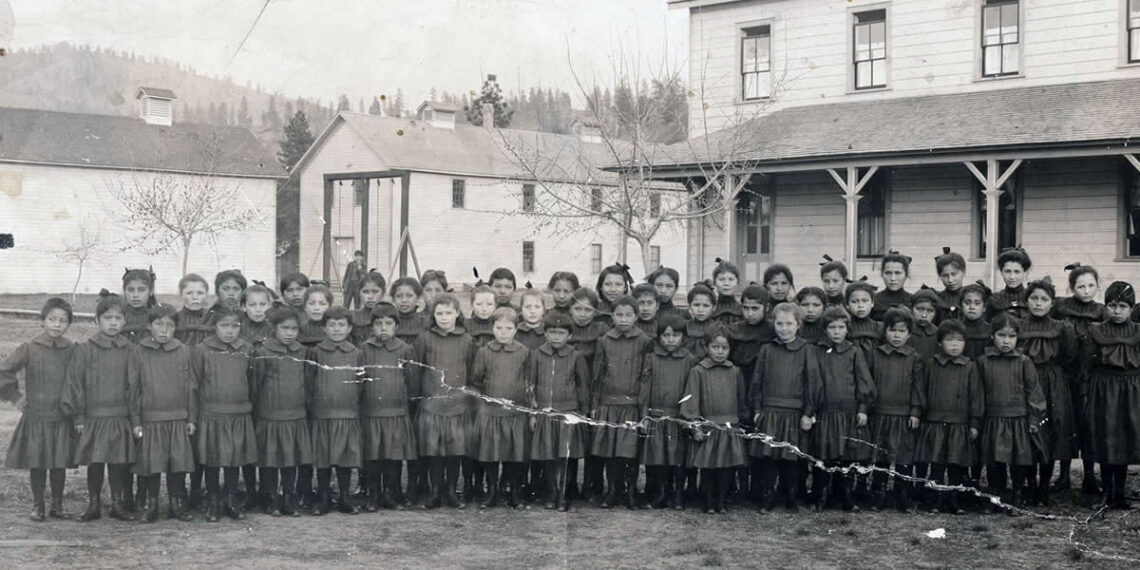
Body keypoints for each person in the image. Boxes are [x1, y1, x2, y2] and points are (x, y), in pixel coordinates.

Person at [1, 297, 76, 522]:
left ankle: (58, 505)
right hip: (36, 417)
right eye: (52, 319)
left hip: (62, 416)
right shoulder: (29, 348)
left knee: (58, 462)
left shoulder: (71, 349)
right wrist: (15, 397)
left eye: (62, 321)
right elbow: (3, 371)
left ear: (68, 324)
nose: (56, 324)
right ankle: (38, 505)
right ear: (42, 321)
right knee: (38, 462)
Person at [63, 292, 135, 521]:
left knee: (117, 462)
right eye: (107, 318)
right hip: (93, 416)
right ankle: (93, 504)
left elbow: (134, 386)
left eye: (118, 318)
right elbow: (75, 384)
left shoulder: (130, 350)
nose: (113, 323)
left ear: (124, 321)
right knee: (95, 462)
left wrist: (133, 418)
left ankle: (117, 503)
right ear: (97, 320)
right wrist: (79, 417)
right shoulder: (85, 349)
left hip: (119, 416)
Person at [128, 303, 198, 523]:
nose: (164, 330)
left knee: (177, 465)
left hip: (178, 418)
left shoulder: (184, 351)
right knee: (152, 465)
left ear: (176, 328)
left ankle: (177, 505)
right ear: (150, 326)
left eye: (169, 325)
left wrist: (191, 418)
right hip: (150, 420)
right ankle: (152, 504)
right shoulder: (138, 351)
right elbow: (134, 388)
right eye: (159, 324)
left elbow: (191, 387)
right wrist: (136, 421)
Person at [749, 302, 820, 513]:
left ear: (798, 325)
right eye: (779, 323)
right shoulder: (767, 349)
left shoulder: (807, 350)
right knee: (769, 459)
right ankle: (767, 500)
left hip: (794, 413)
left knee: (791, 460)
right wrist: (757, 409)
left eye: (789, 323)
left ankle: (791, 499)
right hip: (770, 411)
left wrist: (808, 413)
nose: (784, 328)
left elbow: (813, 383)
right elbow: (757, 381)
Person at [192, 305, 258, 522]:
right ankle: (213, 500)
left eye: (234, 326)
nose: (229, 331)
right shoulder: (202, 350)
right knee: (213, 460)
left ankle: (230, 500)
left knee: (233, 460)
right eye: (224, 326)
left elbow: (253, 383)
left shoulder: (247, 349)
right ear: (214, 326)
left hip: (238, 414)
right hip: (212, 415)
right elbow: (196, 383)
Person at [910, 319, 982, 514]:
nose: (954, 345)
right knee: (937, 465)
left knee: (956, 465)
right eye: (950, 340)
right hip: (935, 423)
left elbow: (976, 396)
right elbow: (921, 391)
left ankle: (954, 502)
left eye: (959, 340)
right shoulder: (931, 365)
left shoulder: (969, 366)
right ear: (940, 343)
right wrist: (918, 413)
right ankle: (934, 501)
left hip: (959, 425)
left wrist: (974, 422)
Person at [976, 313, 1047, 511]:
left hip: (1018, 420)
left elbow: (1034, 392)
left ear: (1017, 338)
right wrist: (978, 419)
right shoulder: (983, 361)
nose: (1006, 341)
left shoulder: (1024, 362)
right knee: (994, 460)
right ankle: (996, 495)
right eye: (1001, 335)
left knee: (1018, 460)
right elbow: (977, 392)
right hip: (993, 419)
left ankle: (1017, 494)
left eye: (1011, 337)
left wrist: (1034, 418)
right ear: (992, 336)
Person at [414, 293, 477, 510]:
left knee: (454, 451)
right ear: (433, 315)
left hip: (457, 405)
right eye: (439, 313)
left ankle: (451, 490)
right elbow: (417, 369)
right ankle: (435, 491)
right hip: (432, 404)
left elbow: (470, 372)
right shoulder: (424, 338)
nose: (444, 317)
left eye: (448, 312)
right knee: (434, 451)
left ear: (457, 313)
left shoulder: (467, 340)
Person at [1080, 281, 1140, 509]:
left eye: (1123, 306)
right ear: (1106, 306)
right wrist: (1086, 395)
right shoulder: (1096, 331)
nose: (1117, 311)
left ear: (1131, 308)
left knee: (1124, 438)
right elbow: (1086, 366)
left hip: (1132, 390)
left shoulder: (1137, 332)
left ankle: (1120, 493)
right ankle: (1106, 493)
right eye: (1112, 306)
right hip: (1104, 389)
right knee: (1106, 438)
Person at [590, 295, 653, 510]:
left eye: (628, 315)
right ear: (612, 316)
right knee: (611, 452)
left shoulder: (644, 341)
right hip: (608, 405)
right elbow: (597, 376)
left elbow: (646, 378)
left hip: (632, 406)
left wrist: (642, 408)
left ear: (636, 316)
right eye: (619, 314)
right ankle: (612, 491)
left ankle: (631, 492)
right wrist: (596, 405)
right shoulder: (604, 341)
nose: (623, 319)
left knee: (630, 453)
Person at [1019, 277, 1078, 506]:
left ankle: (1044, 487)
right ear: (1027, 301)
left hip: (1053, 384)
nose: (1038, 303)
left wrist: (1055, 379)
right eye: (1034, 298)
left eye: (1044, 299)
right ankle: (1030, 485)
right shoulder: (1019, 325)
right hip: (1025, 381)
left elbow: (1069, 357)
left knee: (1050, 433)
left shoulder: (1062, 328)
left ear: (1052, 303)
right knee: (1027, 433)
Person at [251, 306, 312, 517]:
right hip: (270, 417)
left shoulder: (303, 352)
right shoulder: (263, 352)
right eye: (284, 328)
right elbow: (256, 386)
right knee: (270, 461)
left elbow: (308, 383)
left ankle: (288, 498)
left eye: (293, 329)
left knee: (290, 460)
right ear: (274, 329)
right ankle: (271, 499)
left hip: (295, 416)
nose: (289, 333)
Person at [812, 307, 874, 512]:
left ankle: (845, 497)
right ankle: (819, 497)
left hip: (848, 414)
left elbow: (863, 382)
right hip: (825, 414)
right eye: (832, 327)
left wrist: (862, 409)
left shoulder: (854, 352)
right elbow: (813, 383)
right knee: (825, 455)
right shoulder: (817, 351)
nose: (836, 332)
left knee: (847, 456)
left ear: (847, 329)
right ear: (825, 330)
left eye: (841, 327)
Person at [681, 325, 747, 515]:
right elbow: (691, 400)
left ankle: (722, 501)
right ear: (706, 347)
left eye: (724, 348)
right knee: (708, 468)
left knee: (726, 467)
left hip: (729, 426)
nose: (719, 352)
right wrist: (695, 426)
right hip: (708, 425)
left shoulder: (734, 371)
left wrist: (740, 422)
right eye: (715, 347)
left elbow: (740, 399)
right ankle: (708, 502)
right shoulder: (698, 371)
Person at [357, 303, 418, 512]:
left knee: (393, 457)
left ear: (396, 326)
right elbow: (359, 382)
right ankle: (372, 494)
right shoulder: (364, 349)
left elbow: (412, 382)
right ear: (371, 326)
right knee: (373, 457)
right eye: (379, 324)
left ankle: (390, 494)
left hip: (396, 413)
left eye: (389, 324)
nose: (383, 328)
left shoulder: (405, 349)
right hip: (372, 413)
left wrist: (406, 406)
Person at [470, 307, 532, 509]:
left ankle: (514, 492)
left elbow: (530, 383)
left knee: (514, 456)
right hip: (491, 414)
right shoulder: (484, 351)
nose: (503, 332)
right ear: (492, 328)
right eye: (499, 327)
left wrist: (528, 410)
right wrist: (481, 408)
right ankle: (492, 491)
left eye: (508, 328)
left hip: (515, 414)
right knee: (491, 455)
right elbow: (476, 382)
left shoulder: (524, 352)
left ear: (516, 330)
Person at [1052, 263, 1105, 494]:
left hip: (1091, 377)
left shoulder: (1101, 311)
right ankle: (1063, 475)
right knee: (1066, 423)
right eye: (1081, 286)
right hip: (1066, 374)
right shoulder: (1061, 308)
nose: (1086, 290)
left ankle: (1089, 477)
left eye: (1091, 285)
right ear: (1072, 287)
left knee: (1089, 424)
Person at [528, 311, 589, 512]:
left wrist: (582, 413)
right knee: (548, 456)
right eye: (552, 332)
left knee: (565, 458)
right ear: (545, 333)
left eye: (561, 333)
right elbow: (531, 385)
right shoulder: (537, 354)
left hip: (568, 414)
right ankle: (551, 493)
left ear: (569, 335)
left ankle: (563, 496)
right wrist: (533, 413)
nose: (556, 337)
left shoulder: (576, 356)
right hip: (545, 415)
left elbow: (582, 387)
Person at [304, 306, 362, 515]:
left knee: (345, 459)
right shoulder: (316, 352)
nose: (336, 329)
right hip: (322, 415)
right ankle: (323, 497)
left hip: (346, 415)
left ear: (349, 328)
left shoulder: (356, 353)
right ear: (324, 328)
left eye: (341, 325)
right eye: (332, 325)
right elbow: (309, 383)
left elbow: (361, 384)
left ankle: (345, 497)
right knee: (323, 459)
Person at [865, 307, 923, 512]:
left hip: (903, 415)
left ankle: (902, 497)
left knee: (903, 458)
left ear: (909, 333)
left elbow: (918, 386)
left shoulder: (914, 357)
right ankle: (877, 496)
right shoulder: (876, 355)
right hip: (880, 413)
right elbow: (868, 385)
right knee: (880, 457)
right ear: (885, 332)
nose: (896, 335)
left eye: (901, 331)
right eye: (892, 330)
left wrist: (915, 411)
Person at [639, 313, 699, 510]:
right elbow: (645, 388)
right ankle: (658, 495)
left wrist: (688, 416)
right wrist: (644, 415)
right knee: (656, 458)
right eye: (665, 336)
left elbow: (691, 391)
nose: (670, 340)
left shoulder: (690, 359)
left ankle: (677, 496)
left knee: (677, 459)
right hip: (656, 415)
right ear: (658, 337)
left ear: (683, 337)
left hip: (678, 417)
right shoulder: (651, 358)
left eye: (675, 335)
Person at [990, 248, 1033, 320]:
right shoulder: (994, 299)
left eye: (1017, 272)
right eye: (1007, 271)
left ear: (1025, 273)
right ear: (1001, 272)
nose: (1012, 277)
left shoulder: (1032, 298)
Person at [871, 251, 914, 321]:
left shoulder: (913, 301)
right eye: (888, 273)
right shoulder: (873, 300)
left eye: (898, 273)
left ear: (906, 275)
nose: (892, 278)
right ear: (882, 274)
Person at [174, 273, 213, 347]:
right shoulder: (175, 318)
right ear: (181, 294)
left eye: (200, 293)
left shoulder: (212, 318)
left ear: (206, 294)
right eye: (189, 293)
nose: (195, 297)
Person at [845, 281, 882, 357]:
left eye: (865, 301)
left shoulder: (879, 328)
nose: (860, 305)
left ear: (872, 303)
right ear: (847, 305)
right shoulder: (844, 328)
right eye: (854, 302)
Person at [350, 270, 387, 346]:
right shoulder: (352, 317)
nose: (370, 296)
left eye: (375, 291)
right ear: (359, 293)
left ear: (383, 293)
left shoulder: (390, 317)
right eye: (365, 292)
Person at [121, 267, 157, 344]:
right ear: (124, 291)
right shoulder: (119, 316)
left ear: (151, 291)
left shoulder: (157, 316)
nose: (135, 295)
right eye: (130, 290)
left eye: (141, 290)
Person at [960, 282, 992, 361]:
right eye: (967, 303)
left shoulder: (990, 331)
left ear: (984, 307)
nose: (972, 307)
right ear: (961, 305)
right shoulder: (956, 329)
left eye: (977, 303)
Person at [684, 283, 717, 361]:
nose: (700, 310)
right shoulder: (684, 327)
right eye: (696, 305)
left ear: (714, 307)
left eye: (706, 306)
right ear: (689, 306)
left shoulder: (717, 328)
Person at [908, 287, 942, 362]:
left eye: (930, 311)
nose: (924, 315)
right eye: (919, 309)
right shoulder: (905, 332)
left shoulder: (938, 334)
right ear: (911, 308)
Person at [935, 247, 967, 323]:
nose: (950, 280)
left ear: (963, 272)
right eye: (945, 276)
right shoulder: (937, 299)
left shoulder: (970, 298)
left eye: (954, 274)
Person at [711, 259, 742, 325]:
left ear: (738, 282)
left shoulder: (743, 310)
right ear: (714, 282)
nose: (726, 283)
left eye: (731, 279)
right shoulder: (709, 310)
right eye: (721, 279)